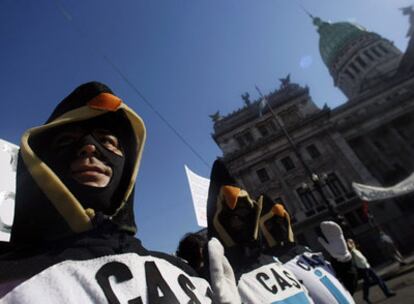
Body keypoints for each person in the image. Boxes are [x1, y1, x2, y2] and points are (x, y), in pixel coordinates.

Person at [0, 82, 232, 303]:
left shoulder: (182, 273)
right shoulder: (10, 281)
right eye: (67, 141)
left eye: (107, 141)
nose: (90, 147)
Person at [206, 159, 314, 303]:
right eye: (232, 216)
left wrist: (344, 262)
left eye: (244, 213)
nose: (239, 221)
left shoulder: (274, 261)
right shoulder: (220, 280)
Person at [259, 195, 356, 304]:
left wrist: (343, 260)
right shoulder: (269, 264)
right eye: (270, 223)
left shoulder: (304, 251)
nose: (279, 225)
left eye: (280, 220)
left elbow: (346, 288)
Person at [347, 238, 396, 304]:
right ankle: (366, 297)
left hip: (367, 267)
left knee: (378, 279)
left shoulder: (356, 250)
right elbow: (353, 262)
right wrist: (349, 244)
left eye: (352, 242)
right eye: (351, 243)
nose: (353, 243)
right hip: (363, 269)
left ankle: (387, 292)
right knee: (367, 283)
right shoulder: (351, 252)